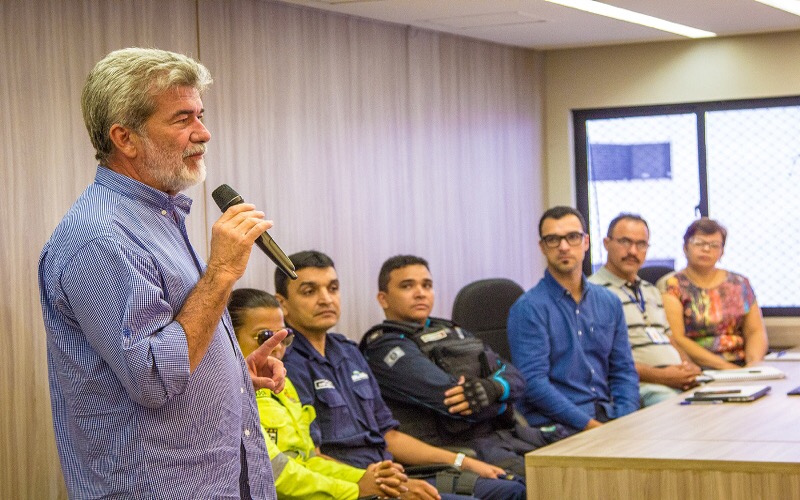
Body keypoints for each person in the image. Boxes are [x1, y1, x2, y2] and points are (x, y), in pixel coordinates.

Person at [38, 48, 286, 499]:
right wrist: (223, 271)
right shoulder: (99, 238)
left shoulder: (161, 216)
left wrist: (226, 372)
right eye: (182, 119)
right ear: (125, 139)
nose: (204, 133)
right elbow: (154, 377)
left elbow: (169, 345)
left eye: (201, 114)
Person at [278, 250, 527, 500]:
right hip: (356, 485)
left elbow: (389, 436)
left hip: (397, 474)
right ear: (283, 304)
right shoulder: (287, 364)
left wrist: (463, 462)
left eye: (332, 288)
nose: (326, 299)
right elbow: (311, 457)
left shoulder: (348, 351)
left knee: (510, 489)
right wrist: (378, 485)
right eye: (309, 291)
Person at [361, 255, 562, 478]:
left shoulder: (453, 331)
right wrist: (504, 402)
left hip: (507, 434)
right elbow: (454, 402)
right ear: (383, 299)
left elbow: (516, 378)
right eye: (407, 286)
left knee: (574, 455)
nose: (420, 293)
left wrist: (495, 389)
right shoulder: (385, 347)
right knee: (551, 479)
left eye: (427, 285)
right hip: (465, 448)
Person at [229, 288, 409, 500]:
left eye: (284, 337)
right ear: (229, 338)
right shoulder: (229, 392)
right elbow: (274, 473)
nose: (277, 347)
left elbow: (308, 459)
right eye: (265, 336)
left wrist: (368, 479)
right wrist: (355, 490)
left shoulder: (284, 384)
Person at [507, 206, 639, 434]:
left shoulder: (609, 302)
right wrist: (593, 427)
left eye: (573, 237)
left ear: (586, 242)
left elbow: (624, 370)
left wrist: (625, 421)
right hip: (560, 425)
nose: (564, 247)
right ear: (542, 247)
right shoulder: (528, 309)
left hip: (609, 416)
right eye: (553, 239)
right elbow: (534, 384)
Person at [588, 214, 701, 406]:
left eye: (641, 244)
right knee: (683, 413)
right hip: (642, 386)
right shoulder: (593, 293)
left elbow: (668, 337)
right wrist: (663, 376)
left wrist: (687, 367)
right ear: (606, 243)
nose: (633, 251)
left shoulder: (651, 291)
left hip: (676, 382)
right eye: (625, 242)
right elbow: (602, 360)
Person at [662, 218, 768, 369]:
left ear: (722, 251)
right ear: (685, 247)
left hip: (741, 364)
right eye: (699, 243)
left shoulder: (739, 283)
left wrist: (753, 365)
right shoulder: (673, 285)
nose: (706, 249)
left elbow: (755, 331)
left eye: (714, 245)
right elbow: (677, 338)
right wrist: (727, 368)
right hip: (697, 367)